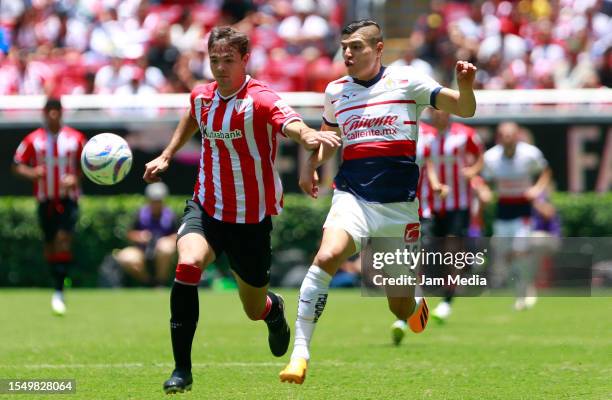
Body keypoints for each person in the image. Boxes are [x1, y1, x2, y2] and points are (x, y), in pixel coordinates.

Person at [142, 26, 341, 394]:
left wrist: (309, 136)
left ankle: (273, 311)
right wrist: (167, 154)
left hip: (251, 221)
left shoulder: (260, 98)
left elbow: (290, 123)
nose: (220, 68)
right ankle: (181, 370)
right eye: (214, 60)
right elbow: (192, 115)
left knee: (253, 308)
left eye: (228, 60)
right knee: (187, 265)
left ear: (245, 59)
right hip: (207, 208)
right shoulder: (202, 97)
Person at [279, 19, 477, 384]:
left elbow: (464, 108)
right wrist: (311, 165)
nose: (348, 54)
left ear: (379, 48)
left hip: (398, 209)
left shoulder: (408, 81)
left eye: (357, 46)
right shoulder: (336, 91)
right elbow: (328, 137)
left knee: (398, 305)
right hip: (351, 195)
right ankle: (300, 354)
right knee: (326, 256)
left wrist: (464, 85)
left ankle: (415, 302)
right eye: (344, 47)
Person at [11, 97, 86, 315]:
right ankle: (57, 280)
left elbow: (88, 165)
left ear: (62, 113)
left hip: (68, 199)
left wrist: (76, 178)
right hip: (45, 199)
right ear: (44, 113)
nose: (53, 114)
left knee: (63, 239)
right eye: (49, 110)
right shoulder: (34, 140)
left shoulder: (75, 138)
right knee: (50, 244)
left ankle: (59, 289)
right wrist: (32, 173)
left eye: (57, 110)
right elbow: (17, 165)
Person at [475, 122, 552, 311]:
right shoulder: (491, 157)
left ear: (517, 136)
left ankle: (524, 291)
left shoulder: (530, 154)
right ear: (499, 137)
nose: (507, 138)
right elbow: (481, 179)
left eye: (511, 135)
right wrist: (484, 191)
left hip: (523, 209)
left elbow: (545, 171)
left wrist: (537, 189)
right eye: (503, 135)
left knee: (520, 248)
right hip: (503, 209)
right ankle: (521, 288)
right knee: (505, 254)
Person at [421, 109, 484, 323]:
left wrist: (473, 171)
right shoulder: (424, 135)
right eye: (436, 111)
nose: (441, 115)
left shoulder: (464, 134)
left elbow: (479, 156)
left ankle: (448, 298)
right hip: (430, 201)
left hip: (459, 202)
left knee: (451, 247)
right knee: (429, 247)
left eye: (444, 111)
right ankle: (428, 294)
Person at [112, 182, 178, 287]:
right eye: (153, 201)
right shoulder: (140, 213)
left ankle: (160, 283)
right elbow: (129, 234)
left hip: (161, 252)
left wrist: (164, 240)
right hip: (141, 250)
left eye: (159, 201)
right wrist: (140, 236)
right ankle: (148, 282)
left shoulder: (171, 215)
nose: (156, 204)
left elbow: (178, 235)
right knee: (125, 257)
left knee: (165, 248)